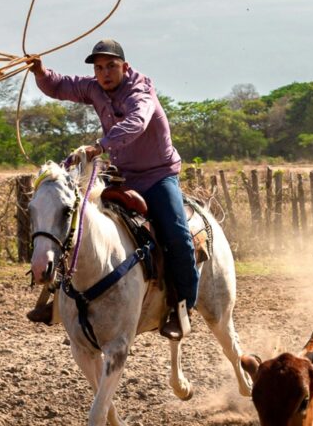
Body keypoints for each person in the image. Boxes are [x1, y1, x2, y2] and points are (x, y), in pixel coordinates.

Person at [27, 38, 198, 340]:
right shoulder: (94, 88)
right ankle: (58, 299)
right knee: (79, 222)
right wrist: (40, 72)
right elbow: (61, 86)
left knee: (177, 235)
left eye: (110, 66)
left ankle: (181, 310)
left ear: (125, 67)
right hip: (122, 175)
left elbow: (136, 122)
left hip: (158, 177)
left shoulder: (140, 91)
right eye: (99, 68)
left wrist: (99, 147)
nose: (104, 73)